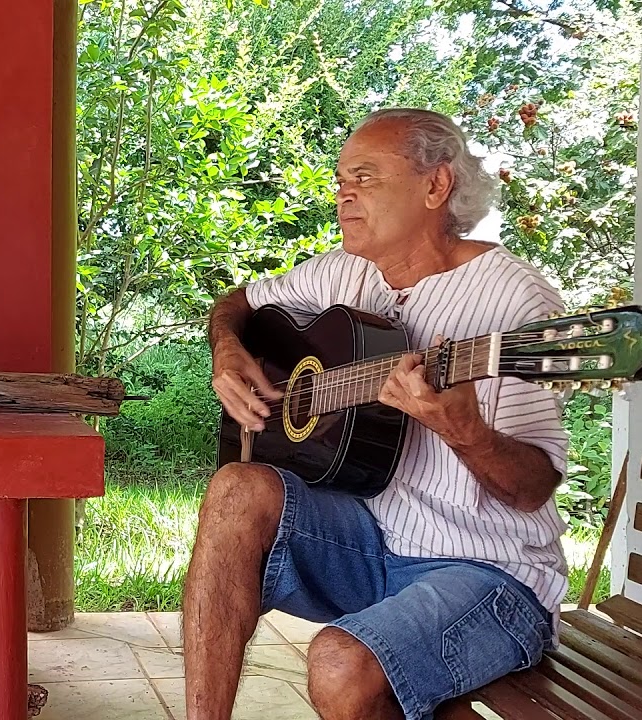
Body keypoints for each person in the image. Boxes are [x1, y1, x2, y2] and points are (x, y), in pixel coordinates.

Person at [187, 108, 570, 720]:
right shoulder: (345, 272)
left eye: (364, 177)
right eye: (340, 179)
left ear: (435, 186)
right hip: (372, 542)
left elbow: (532, 489)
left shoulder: (517, 302)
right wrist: (229, 351)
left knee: (340, 665)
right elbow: (237, 302)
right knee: (237, 486)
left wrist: (462, 430)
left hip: (488, 571)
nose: (342, 193)